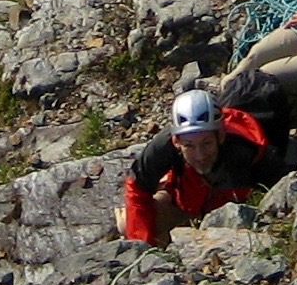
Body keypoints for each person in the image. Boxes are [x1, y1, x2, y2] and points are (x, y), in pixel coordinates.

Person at [122, 84, 288, 244]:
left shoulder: (245, 153)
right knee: (128, 224)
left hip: (223, 215)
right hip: (187, 203)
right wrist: (141, 247)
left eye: (206, 143)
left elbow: (281, 198)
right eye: (189, 146)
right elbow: (137, 188)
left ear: (221, 136)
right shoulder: (164, 146)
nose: (200, 155)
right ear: (176, 141)